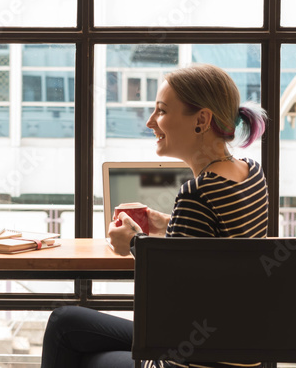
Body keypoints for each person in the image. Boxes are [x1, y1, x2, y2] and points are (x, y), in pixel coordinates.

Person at [40, 63, 269, 368]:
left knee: (67, 333)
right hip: (239, 351)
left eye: (161, 111)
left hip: (189, 359)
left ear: (201, 120)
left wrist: (135, 245)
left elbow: (170, 302)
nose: (150, 122)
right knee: (66, 322)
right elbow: (211, 260)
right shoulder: (252, 173)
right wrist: (167, 227)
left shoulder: (198, 193)